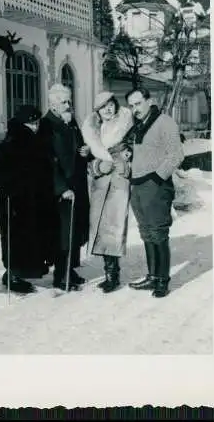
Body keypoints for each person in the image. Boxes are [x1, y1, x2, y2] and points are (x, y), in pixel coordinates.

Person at [0, 105, 57, 294]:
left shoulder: (38, 139)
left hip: (32, 199)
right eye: (30, 123)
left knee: (30, 237)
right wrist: (8, 188)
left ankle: (21, 273)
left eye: (36, 122)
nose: (34, 126)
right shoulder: (13, 140)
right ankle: (12, 275)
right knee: (16, 239)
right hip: (15, 201)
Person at [125, 88, 184, 298]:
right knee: (146, 231)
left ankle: (162, 281)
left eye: (138, 103)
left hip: (155, 186)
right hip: (137, 186)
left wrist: (157, 178)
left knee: (158, 233)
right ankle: (152, 276)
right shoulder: (138, 125)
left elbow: (177, 154)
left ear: (149, 101)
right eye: (131, 105)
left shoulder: (164, 122)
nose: (135, 109)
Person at [40, 84, 92, 291]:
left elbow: (80, 146)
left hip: (78, 183)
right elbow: (48, 160)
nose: (68, 105)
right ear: (52, 104)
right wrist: (61, 187)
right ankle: (60, 275)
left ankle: (70, 269)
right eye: (63, 102)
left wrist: (86, 151)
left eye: (69, 101)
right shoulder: (47, 125)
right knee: (63, 233)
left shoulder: (70, 121)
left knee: (76, 229)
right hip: (61, 189)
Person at [81, 91, 134, 293]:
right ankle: (107, 272)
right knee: (101, 227)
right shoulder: (92, 131)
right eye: (103, 107)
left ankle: (113, 275)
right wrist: (96, 165)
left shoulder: (127, 125)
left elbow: (135, 148)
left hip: (119, 180)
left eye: (111, 104)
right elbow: (86, 160)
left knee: (114, 225)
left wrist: (125, 161)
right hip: (100, 182)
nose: (108, 109)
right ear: (98, 111)